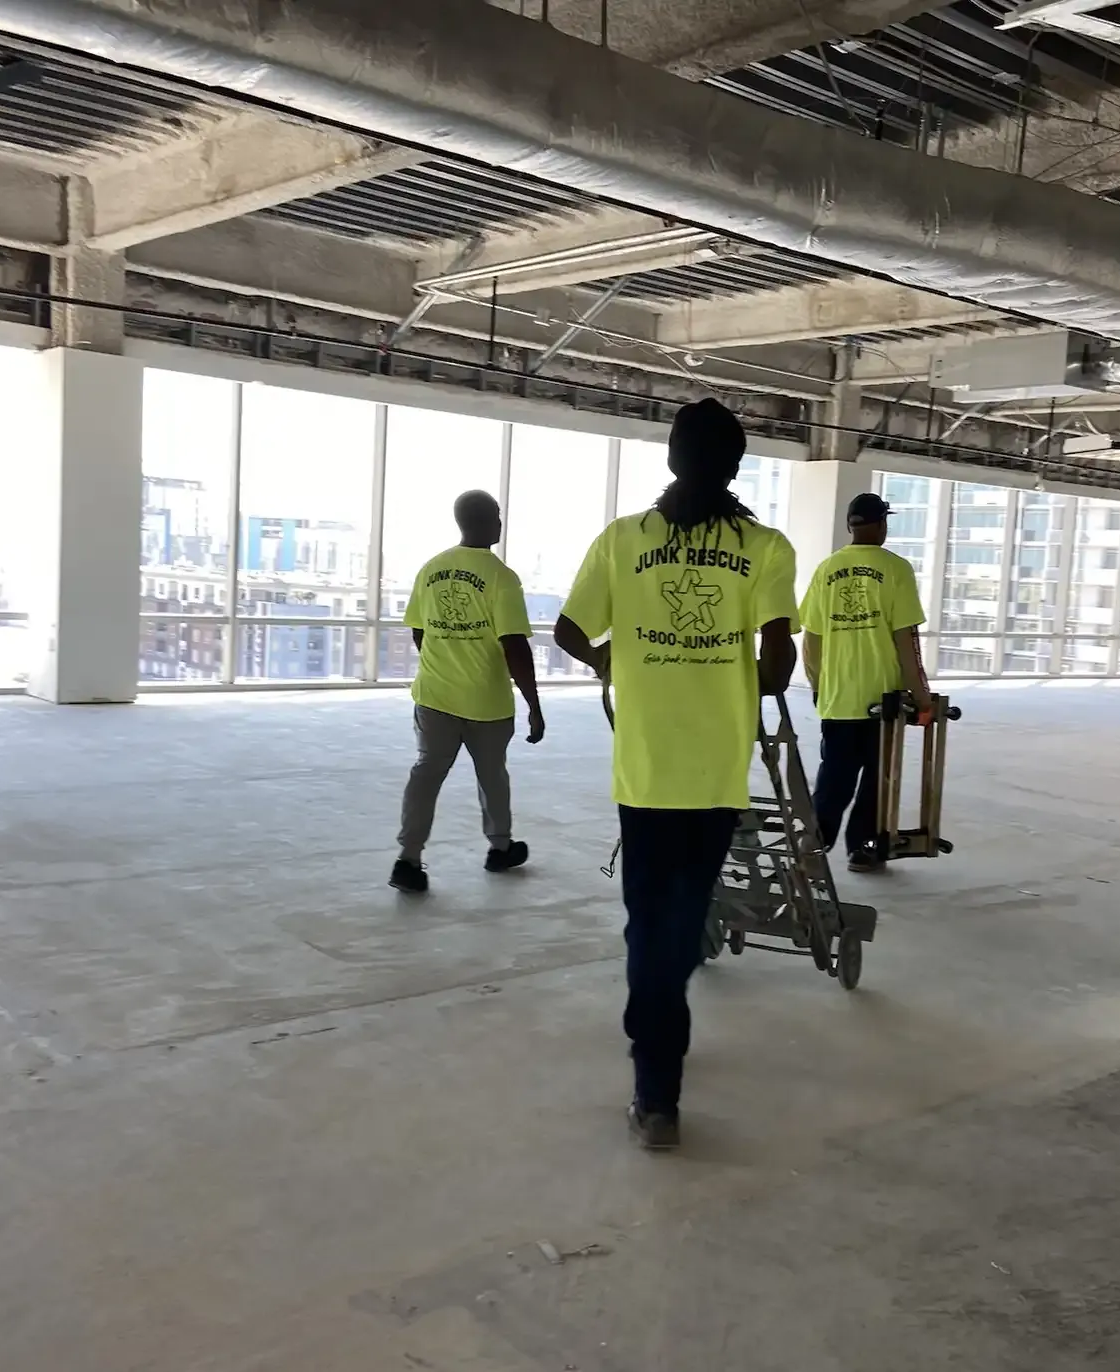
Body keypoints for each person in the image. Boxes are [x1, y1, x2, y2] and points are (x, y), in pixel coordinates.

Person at [556, 398, 798, 1151]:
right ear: (734, 465)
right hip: (717, 769)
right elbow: (779, 662)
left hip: (645, 768)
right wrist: (739, 675)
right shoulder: (766, 547)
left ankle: (655, 1077)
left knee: (648, 919)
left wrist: (614, 661)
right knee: (682, 919)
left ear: (671, 459)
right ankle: (656, 1070)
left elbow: (567, 628)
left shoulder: (623, 540)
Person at [390, 490, 545, 894]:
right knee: (491, 775)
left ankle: (408, 860)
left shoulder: (431, 569)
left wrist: (444, 663)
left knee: (426, 773)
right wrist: (533, 703)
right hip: (486, 702)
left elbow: (419, 630)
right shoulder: (501, 577)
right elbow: (514, 645)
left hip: (435, 697)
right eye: (497, 514)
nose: (500, 521)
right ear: (484, 520)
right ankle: (500, 848)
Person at [801, 492, 931, 872]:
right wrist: (921, 697)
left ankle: (814, 844)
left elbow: (812, 639)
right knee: (878, 782)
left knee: (834, 779)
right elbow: (906, 641)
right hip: (884, 702)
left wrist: (818, 686)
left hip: (839, 697)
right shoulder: (896, 570)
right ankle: (863, 849)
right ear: (882, 525)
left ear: (850, 526)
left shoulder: (826, 570)